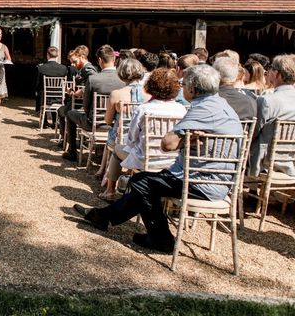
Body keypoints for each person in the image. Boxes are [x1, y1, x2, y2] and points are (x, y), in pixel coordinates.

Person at [74, 64, 242, 253]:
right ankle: (102, 217)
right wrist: (188, 139)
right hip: (221, 181)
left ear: (192, 89)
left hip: (200, 182)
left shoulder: (202, 110)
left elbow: (167, 144)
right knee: (144, 182)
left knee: (141, 182)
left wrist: (182, 139)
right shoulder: (222, 106)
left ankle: (161, 239)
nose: (182, 87)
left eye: (183, 84)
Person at [101, 68, 187, 201]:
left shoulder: (144, 109)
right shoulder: (182, 110)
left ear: (150, 86)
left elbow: (131, 139)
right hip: (172, 162)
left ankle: (110, 191)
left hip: (145, 160)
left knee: (117, 150)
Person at [64, 45, 124, 162]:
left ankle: (72, 152)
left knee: (70, 114)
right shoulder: (123, 80)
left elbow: (86, 106)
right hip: (115, 125)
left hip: (94, 123)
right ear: (114, 59)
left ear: (100, 60)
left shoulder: (93, 79)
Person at [95, 58, 148, 185]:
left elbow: (107, 121)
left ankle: (107, 178)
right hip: (142, 139)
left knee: (112, 133)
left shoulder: (117, 94)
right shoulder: (149, 94)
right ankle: (104, 171)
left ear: (121, 73)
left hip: (122, 139)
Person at [248, 54, 295, 177]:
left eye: (271, 68)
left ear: (277, 74)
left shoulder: (267, 100)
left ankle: (251, 188)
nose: (267, 71)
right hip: (290, 157)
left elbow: (255, 131)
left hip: (264, 159)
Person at [57, 45, 97, 140]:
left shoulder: (88, 69)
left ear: (82, 57)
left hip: (81, 104)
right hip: (79, 103)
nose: (73, 65)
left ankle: (66, 140)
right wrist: (72, 91)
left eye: (75, 62)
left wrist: (81, 91)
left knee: (61, 111)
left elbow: (94, 81)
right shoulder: (83, 69)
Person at [34, 46, 68, 125]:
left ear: (47, 55)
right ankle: (55, 121)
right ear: (57, 55)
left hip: (45, 97)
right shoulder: (63, 68)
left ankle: (44, 121)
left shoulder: (41, 68)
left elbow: (38, 84)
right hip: (59, 97)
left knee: (39, 92)